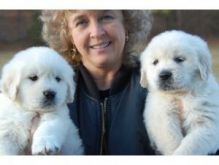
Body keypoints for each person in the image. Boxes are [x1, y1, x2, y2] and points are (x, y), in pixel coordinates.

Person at [40, 10, 155, 155]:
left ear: (127, 24)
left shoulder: (157, 84)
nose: (96, 32)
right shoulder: (48, 91)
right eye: (81, 22)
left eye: (106, 17)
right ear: (69, 35)